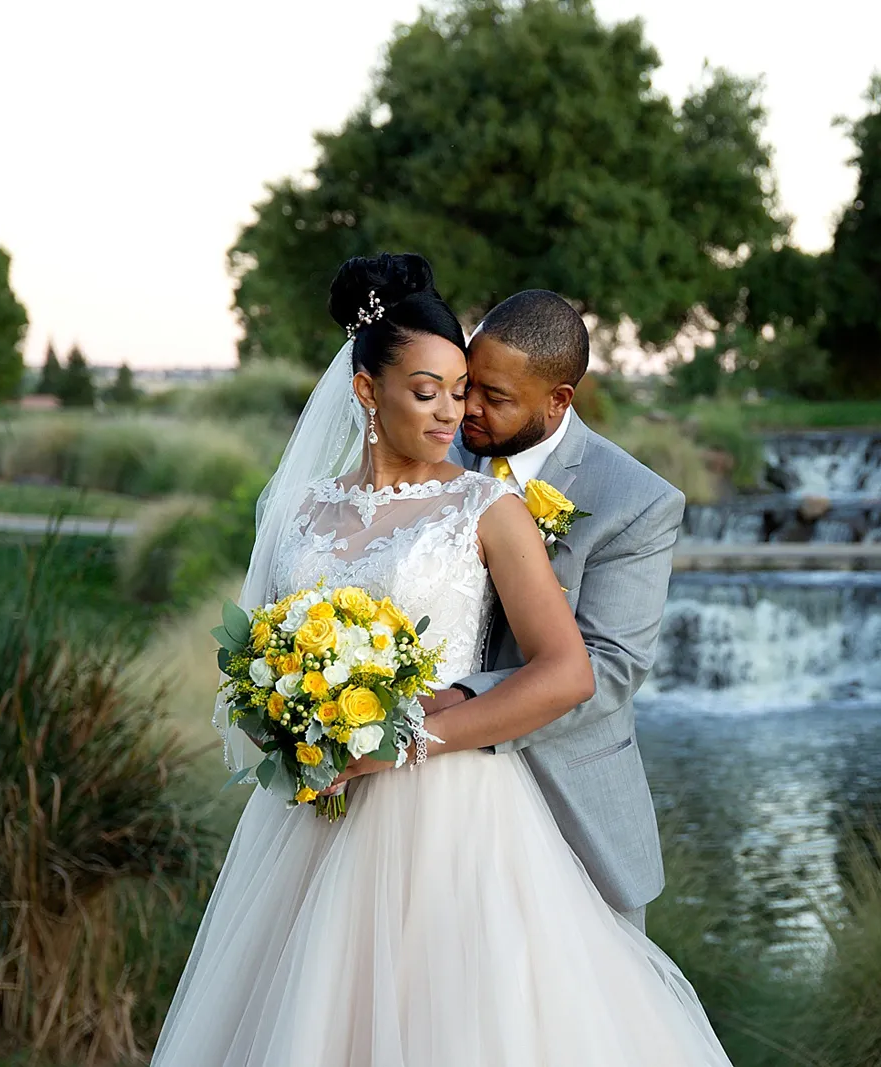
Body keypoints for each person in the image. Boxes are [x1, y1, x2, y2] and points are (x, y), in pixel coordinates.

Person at [150, 253, 730, 1066]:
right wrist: (292, 709)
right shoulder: (310, 504)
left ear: (556, 400)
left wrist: (411, 722)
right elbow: (269, 642)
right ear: (366, 391)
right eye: (448, 389)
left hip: (506, 807)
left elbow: (597, 671)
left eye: (480, 396)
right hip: (323, 813)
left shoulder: (607, 501)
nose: (463, 415)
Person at [440, 289, 685, 932]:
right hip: (425, 803)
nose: (468, 409)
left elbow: (610, 668)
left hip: (569, 802)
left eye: (495, 398)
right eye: (469, 384)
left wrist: (458, 701)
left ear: (558, 401)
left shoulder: (636, 501)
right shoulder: (433, 453)